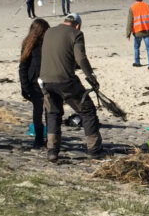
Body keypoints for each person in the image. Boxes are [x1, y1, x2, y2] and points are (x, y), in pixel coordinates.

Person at [39, 12, 103, 162]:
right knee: (87, 110)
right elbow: (80, 58)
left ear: (64, 21)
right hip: (65, 81)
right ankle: (94, 149)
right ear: (78, 24)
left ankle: (52, 150)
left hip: (45, 80)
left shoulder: (49, 32)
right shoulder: (77, 34)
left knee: (53, 113)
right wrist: (91, 77)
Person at [19, 18, 50, 149]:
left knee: (50, 111)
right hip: (34, 84)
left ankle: (50, 139)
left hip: (48, 82)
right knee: (38, 112)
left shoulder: (48, 44)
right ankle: (38, 139)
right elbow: (23, 67)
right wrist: (25, 87)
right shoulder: (28, 44)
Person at [126, 0, 149, 70]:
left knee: (136, 47)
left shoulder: (132, 8)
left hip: (137, 31)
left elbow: (130, 22)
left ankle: (137, 62)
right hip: (147, 31)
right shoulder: (148, 6)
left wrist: (128, 34)